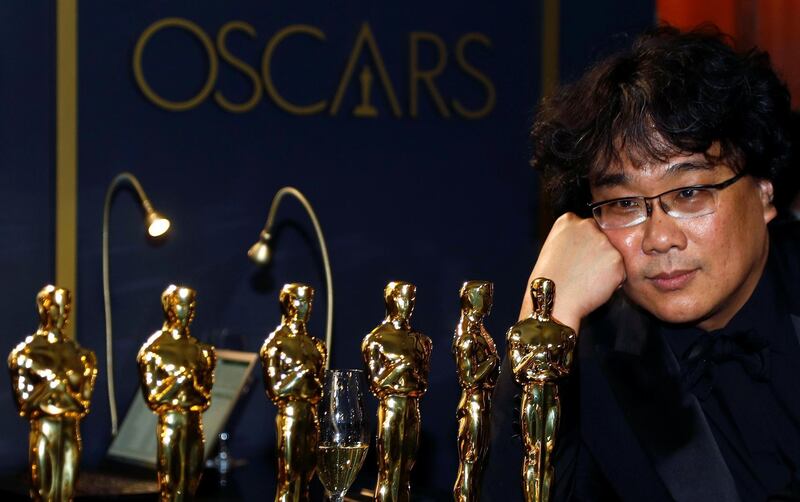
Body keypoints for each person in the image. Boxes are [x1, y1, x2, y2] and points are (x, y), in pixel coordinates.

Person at [484, 25, 800, 501]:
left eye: (690, 193)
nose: (659, 238)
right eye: (624, 204)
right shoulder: (590, 363)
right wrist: (544, 316)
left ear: (764, 189)